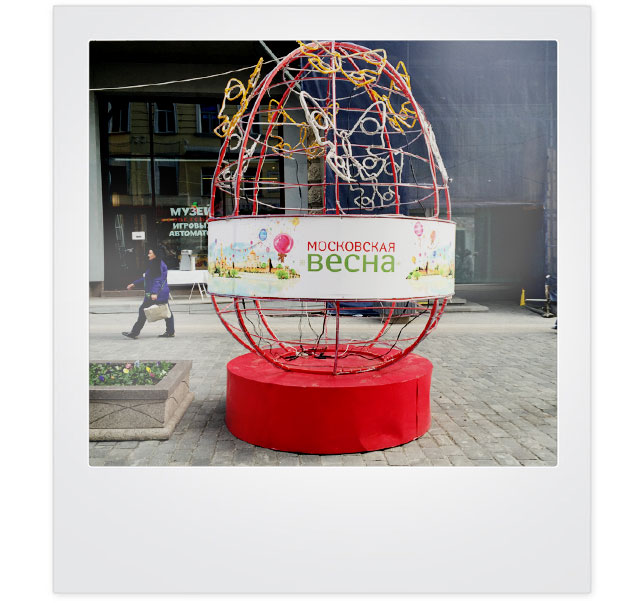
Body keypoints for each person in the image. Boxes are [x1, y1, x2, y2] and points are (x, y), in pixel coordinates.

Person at [122, 249, 175, 339]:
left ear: (155, 254)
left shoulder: (158, 265)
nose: (148, 255)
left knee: (143, 310)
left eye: (150, 253)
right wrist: (134, 283)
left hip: (157, 293)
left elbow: (158, 280)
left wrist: (154, 293)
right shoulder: (156, 263)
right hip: (160, 293)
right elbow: (148, 277)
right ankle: (170, 332)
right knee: (167, 311)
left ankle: (134, 332)